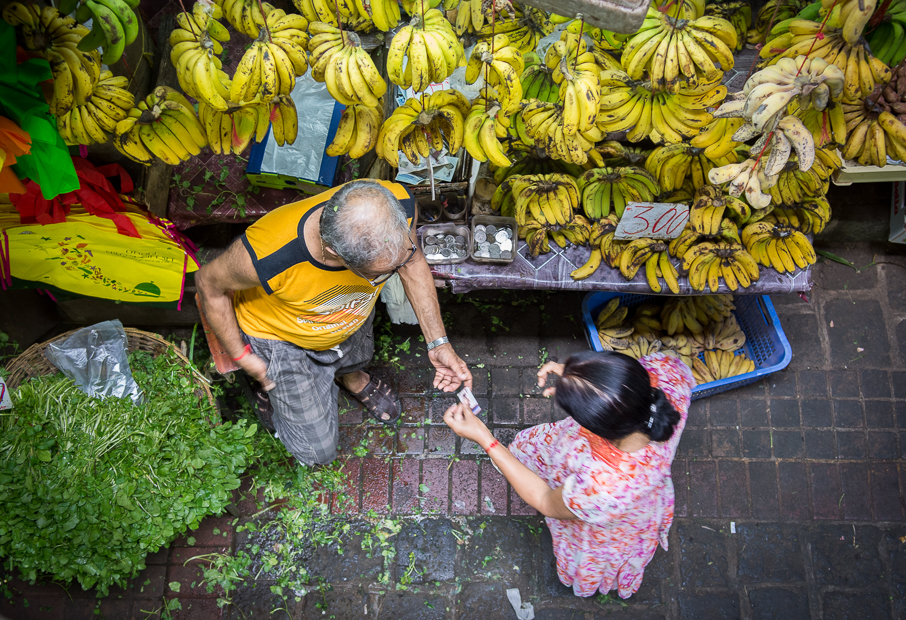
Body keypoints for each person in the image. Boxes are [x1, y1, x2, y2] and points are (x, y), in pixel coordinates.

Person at [196, 179, 472, 466]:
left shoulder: (398, 203)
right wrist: (242, 356)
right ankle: (273, 395)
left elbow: (412, 263)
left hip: (349, 314)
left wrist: (438, 342)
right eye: (378, 274)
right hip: (282, 339)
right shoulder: (268, 255)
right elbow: (207, 285)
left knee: (357, 354)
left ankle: (349, 377)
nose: (392, 275)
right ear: (333, 254)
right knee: (318, 453)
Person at [443, 350, 693, 599]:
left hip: (600, 505)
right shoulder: (668, 375)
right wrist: (582, 380)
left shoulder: (601, 488)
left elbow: (544, 499)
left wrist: (485, 439)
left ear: (597, 427)